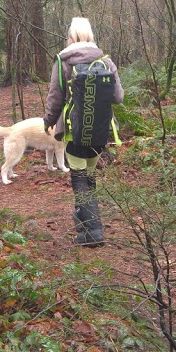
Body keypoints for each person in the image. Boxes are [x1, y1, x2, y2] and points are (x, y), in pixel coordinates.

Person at [43, 17, 124, 247]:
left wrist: (48, 121)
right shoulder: (106, 61)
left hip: (74, 130)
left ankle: (94, 231)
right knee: (89, 177)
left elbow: (55, 98)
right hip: (101, 130)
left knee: (79, 179)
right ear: (90, 34)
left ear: (70, 35)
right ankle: (83, 218)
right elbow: (119, 97)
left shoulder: (63, 61)